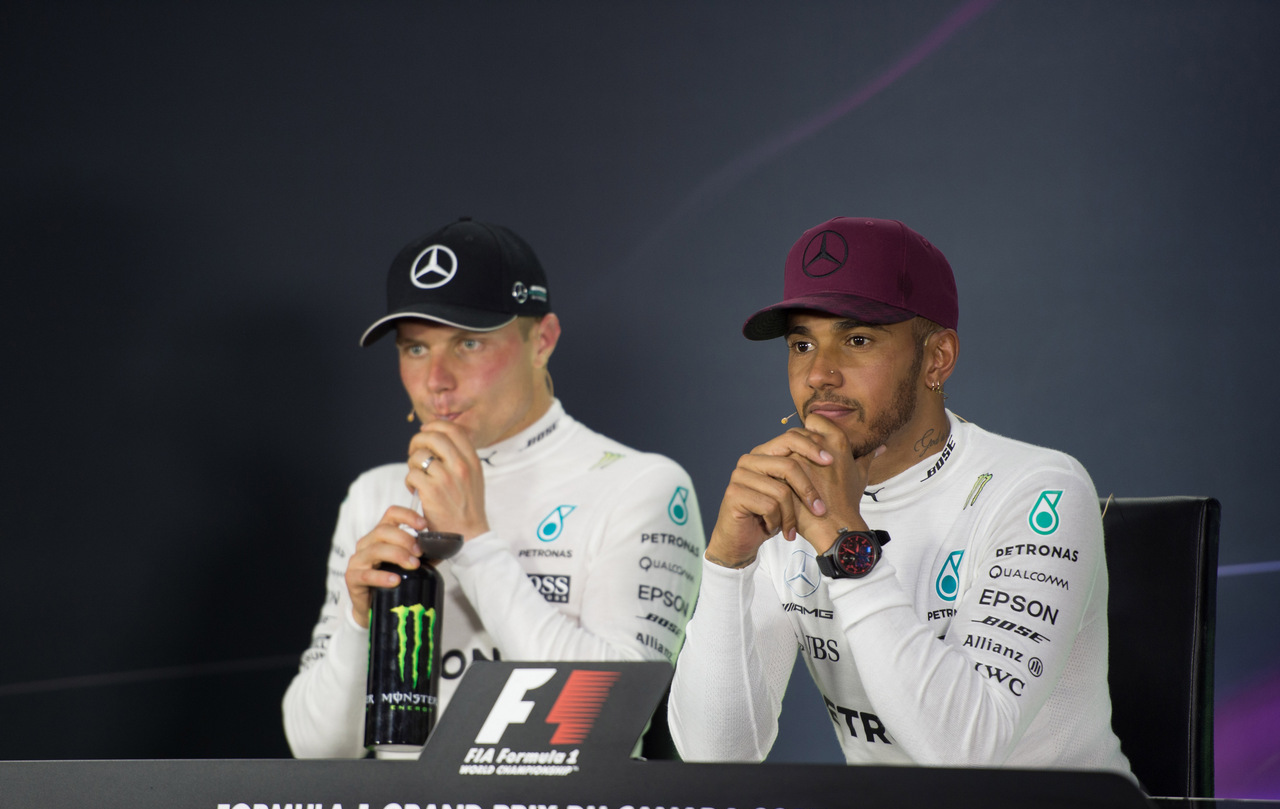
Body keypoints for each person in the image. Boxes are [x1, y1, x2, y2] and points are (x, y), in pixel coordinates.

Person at [668, 216, 1131, 775]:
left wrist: (845, 543)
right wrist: (727, 566)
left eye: (857, 340)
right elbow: (716, 758)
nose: (818, 374)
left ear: (937, 358)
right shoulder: (789, 492)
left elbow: (964, 754)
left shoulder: (1038, 490)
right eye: (802, 344)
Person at [284, 217, 704, 759]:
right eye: (415, 349)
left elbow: (610, 725)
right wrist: (357, 623)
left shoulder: (642, 486)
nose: (437, 378)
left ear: (543, 340)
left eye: (469, 343)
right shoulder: (375, 495)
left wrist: (475, 543)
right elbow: (315, 749)